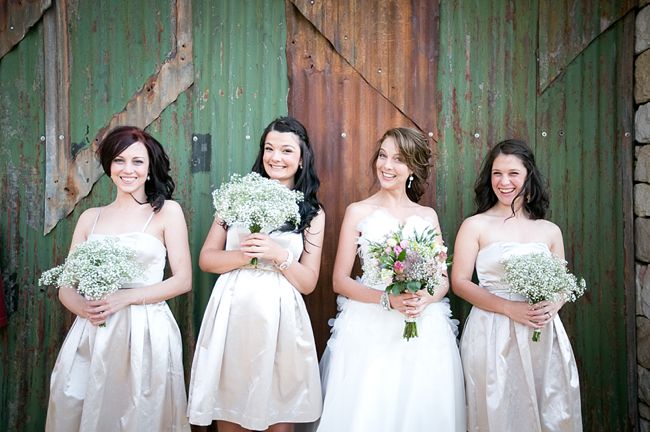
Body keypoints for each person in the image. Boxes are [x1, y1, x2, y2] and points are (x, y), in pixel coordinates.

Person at [315, 128, 466, 432]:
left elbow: (441, 280)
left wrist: (426, 298)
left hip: (423, 325)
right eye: (383, 155)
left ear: (413, 167)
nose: (386, 165)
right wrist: (387, 299)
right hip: (370, 326)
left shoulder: (427, 216)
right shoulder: (358, 211)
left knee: (419, 410)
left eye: (398, 159)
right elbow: (340, 280)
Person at [45, 126, 192, 431]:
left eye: (138, 162)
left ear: (150, 168)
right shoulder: (90, 217)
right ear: (109, 166)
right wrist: (84, 309)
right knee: (82, 406)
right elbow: (66, 286)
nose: (128, 170)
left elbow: (182, 280)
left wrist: (125, 298)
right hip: (94, 332)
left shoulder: (167, 213)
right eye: (120, 161)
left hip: (146, 331)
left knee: (142, 414)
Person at [187, 116, 325, 432]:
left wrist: (278, 255)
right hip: (233, 311)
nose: (276, 158)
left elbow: (308, 283)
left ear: (302, 158)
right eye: (269, 149)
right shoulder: (235, 199)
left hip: (280, 316)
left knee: (278, 410)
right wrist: (243, 255)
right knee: (231, 406)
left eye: (287, 151)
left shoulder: (312, 214)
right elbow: (207, 259)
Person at [451, 139, 582, 431]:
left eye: (513, 173)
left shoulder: (549, 230)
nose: (504, 181)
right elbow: (459, 283)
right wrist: (510, 308)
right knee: (498, 410)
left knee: (548, 407)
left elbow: (562, 283)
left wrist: (553, 304)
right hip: (491, 331)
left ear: (528, 176)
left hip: (541, 333)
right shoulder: (475, 225)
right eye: (497, 173)